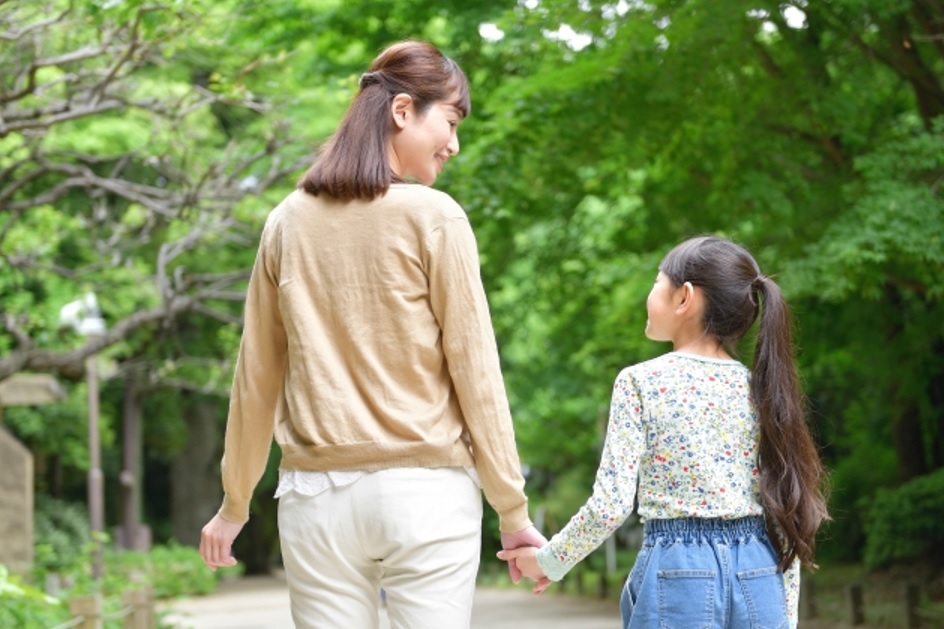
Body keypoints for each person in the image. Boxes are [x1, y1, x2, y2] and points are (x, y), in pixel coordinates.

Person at [199, 40, 545, 629]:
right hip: (428, 493)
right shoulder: (436, 217)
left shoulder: (287, 220)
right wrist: (511, 512)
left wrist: (235, 503)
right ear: (403, 110)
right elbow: (476, 375)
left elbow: (256, 377)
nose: (455, 143)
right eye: (452, 120)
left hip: (315, 497)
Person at [498, 235, 829, 629]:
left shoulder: (641, 382)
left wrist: (549, 562)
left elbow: (610, 506)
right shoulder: (761, 388)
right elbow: (781, 511)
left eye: (657, 282)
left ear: (684, 297)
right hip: (760, 570)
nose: (650, 293)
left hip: (679, 572)